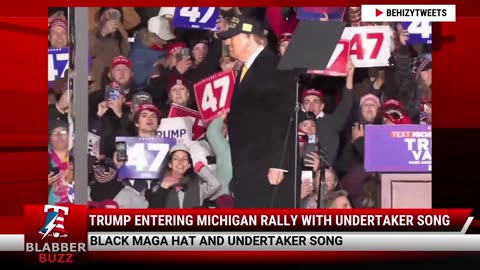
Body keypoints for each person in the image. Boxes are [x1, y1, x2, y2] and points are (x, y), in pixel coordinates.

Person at [217, 15, 297, 208]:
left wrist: (279, 163)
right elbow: (259, 109)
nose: (227, 42)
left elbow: (283, 113)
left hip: (265, 166)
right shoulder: (247, 67)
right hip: (249, 164)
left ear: (248, 38)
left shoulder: (272, 65)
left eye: (232, 37)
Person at [148, 144, 221, 208]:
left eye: (185, 158)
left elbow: (215, 184)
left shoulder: (197, 187)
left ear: (189, 165)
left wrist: (201, 168)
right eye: (176, 158)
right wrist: (163, 188)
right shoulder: (159, 187)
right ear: (170, 164)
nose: (180, 161)